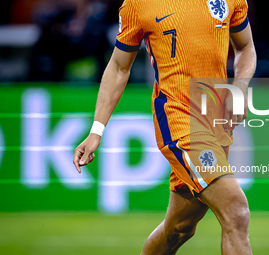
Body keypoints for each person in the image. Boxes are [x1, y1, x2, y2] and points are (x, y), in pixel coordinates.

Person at [73, 0, 256, 254]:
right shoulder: (138, 4)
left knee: (179, 227)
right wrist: (96, 130)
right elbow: (118, 67)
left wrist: (240, 87)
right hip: (179, 121)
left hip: (216, 122)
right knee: (236, 210)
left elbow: (245, 46)